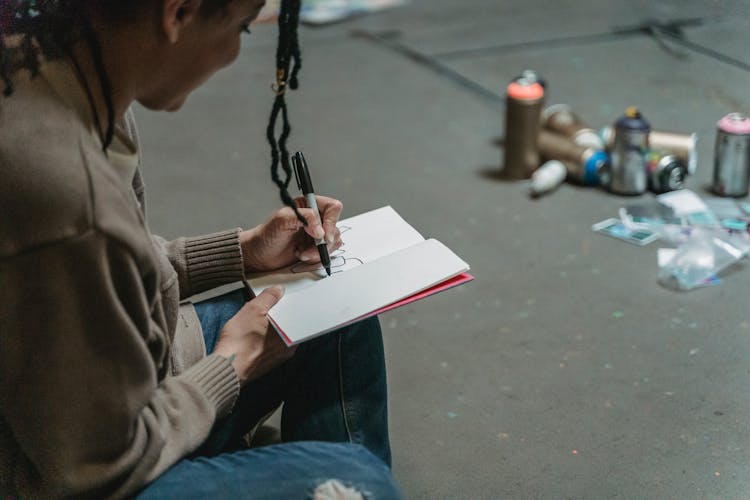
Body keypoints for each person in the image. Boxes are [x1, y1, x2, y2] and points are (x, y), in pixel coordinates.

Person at [0, 0, 401, 498]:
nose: (235, 49)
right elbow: (95, 470)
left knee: (338, 312)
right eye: (241, 29)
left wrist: (246, 251)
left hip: (122, 382)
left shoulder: (62, 71)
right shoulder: (68, 198)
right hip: (75, 471)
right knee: (358, 483)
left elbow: (110, 269)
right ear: (179, 12)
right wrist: (232, 364)